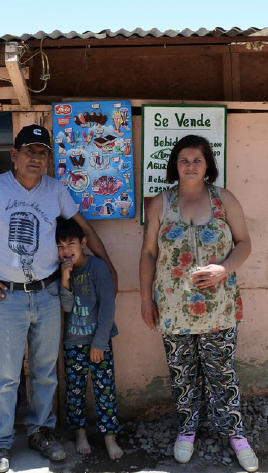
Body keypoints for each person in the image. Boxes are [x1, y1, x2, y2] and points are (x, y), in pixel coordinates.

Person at [0, 124, 117, 473]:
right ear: (14, 155)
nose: (36, 159)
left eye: (42, 153)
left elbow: (84, 228)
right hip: (8, 297)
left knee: (44, 372)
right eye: (30, 152)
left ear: (48, 159)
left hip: (49, 293)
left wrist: (109, 266)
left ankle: (40, 432)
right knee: (6, 376)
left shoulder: (55, 190)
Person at [139, 135, 258, 473]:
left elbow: (244, 243)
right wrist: (146, 299)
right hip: (173, 310)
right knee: (183, 374)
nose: (190, 165)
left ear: (208, 165)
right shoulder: (161, 203)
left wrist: (224, 268)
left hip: (218, 308)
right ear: (174, 165)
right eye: (184, 160)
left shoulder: (224, 199)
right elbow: (148, 253)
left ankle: (236, 435)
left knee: (222, 374)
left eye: (197, 159)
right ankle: (188, 430)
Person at [56, 216, 123, 461]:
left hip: (99, 341)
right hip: (73, 342)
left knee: (105, 390)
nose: (66, 251)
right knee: (75, 391)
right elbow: (66, 308)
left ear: (83, 243)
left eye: (70, 244)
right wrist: (65, 281)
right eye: (61, 246)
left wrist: (99, 343)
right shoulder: (63, 271)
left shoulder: (97, 268)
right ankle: (80, 434)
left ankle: (109, 437)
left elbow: (107, 306)